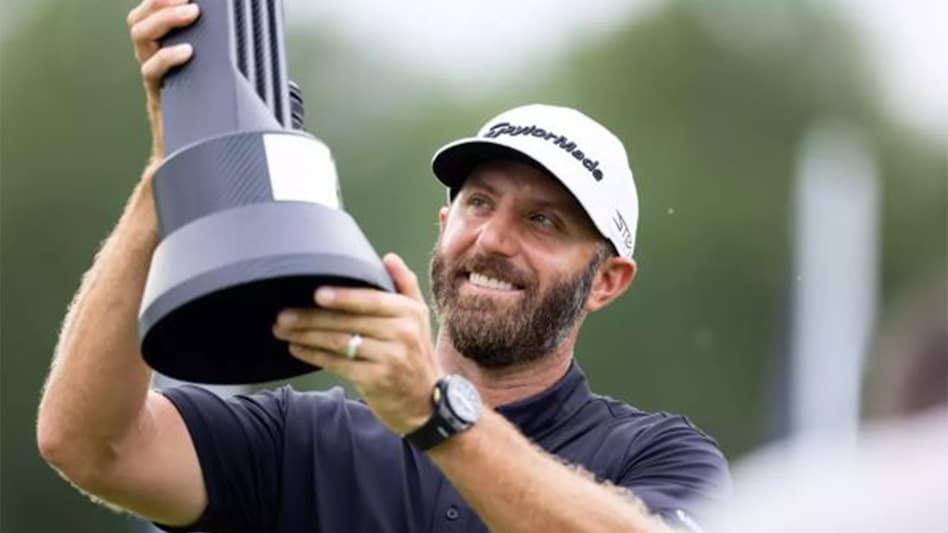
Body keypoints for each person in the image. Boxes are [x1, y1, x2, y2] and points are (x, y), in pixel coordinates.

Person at [36, 1, 729, 532]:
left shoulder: (660, 455)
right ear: (443, 225)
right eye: (478, 202)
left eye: (544, 220)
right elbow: (89, 443)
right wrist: (172, 170)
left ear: (607, 280)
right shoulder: (300, 441)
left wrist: (435, 414)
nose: (493, 238)